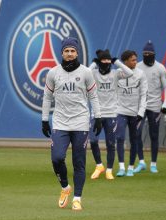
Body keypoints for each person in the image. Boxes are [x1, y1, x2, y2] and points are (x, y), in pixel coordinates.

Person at [41, 37, 102, 211]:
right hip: (60, 121)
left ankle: (77, 198)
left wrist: (97, 117)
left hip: (81, 122)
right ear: (61, 53)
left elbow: (94, 97)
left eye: (72, 51)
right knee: (57, 158)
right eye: (66, 51)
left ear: (77, 53)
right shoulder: (53, 73)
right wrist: (44, 120)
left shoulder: (86, 73)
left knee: (79, 162)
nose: (69, 54)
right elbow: (47, 97)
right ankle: (65, 188)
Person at [88, 49, 133, 180]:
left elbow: (129, 72)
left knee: (110, 143)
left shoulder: (116, 73)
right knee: (93, 140)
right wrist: (94, 63)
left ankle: (109, 170)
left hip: (112, 114)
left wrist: (117, 62)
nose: (107, 62)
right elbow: (84, 72)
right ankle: (99, 165)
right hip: (96, 114)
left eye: (109, 60)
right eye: (104, 60)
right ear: (99, 61)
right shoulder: (94, 73)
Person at [135, 40, 166, 173]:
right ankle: (141, 162)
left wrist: (165, 104)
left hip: (155, 107)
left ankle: (154, 164)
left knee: (154, 135)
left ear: (154, 54)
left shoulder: (160, 68)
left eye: (149, 53)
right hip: (140, 106)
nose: (147, 55)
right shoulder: (137, 67)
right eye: (144, 53)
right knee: (136, 134)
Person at [115, 50, 148, 177]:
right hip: (120, 111)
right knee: (120, 138)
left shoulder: (141, 74)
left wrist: (141, 112)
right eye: (133, 60)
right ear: (125, 61)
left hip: (135, 113)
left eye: (135, 59)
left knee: (134, 139)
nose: (135, 62)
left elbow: (144, 94)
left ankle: (130, 167)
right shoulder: (117, 74)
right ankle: (122, 167)